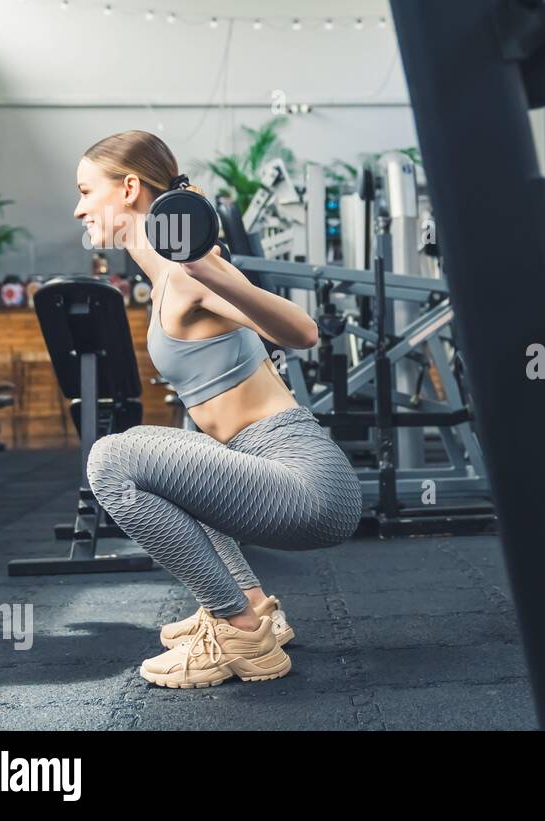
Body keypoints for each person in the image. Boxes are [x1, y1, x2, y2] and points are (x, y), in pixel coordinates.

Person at [73, 130, 362, 688]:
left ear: (129, 188)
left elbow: (303, 332)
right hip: (265, 471)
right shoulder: (165, 277)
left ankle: (238, 633)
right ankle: (256, 610)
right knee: (178, 458)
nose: (79, 207)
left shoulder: (188, 272)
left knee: (111, 459)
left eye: (88, 191)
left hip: (307, 484)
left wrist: (210, 270)